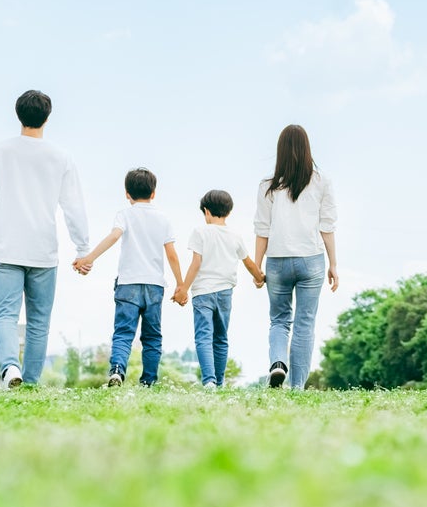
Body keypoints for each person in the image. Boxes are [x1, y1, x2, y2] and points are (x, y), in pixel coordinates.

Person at [0, 89, 89, 389]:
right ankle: (33, 382)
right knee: (39, 321)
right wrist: (82, 247)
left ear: (17, 114)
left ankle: (10, 367)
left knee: (5, 314)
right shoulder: (60, 157)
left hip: (5, 246)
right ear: (47, 118)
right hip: (42, 250)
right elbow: (74, 206)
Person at [73, 168, 179, 387]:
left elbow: (114, 237)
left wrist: (89, 257)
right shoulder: (163, 219)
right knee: (152, 337)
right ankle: (148, 381)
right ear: (154, 193)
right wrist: (181, 285)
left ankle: (118, 370)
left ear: (127, 193)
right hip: (154, 285)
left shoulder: (124, 214)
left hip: (128, 283)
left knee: (123, 332)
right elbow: (171, 254)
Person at [250, 124, 337, 389]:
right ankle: (297, 387)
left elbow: (261, 229)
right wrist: (334, 264)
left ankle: (278, 363)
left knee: (279, 320)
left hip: (277, 260)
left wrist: (257, 267)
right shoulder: (322, 182)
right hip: (311, 259)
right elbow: (327, 226)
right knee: (304, 323)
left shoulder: (268, 186)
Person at [172, 189, 243, 388]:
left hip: (202, 292)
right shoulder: (235, 235)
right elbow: (247, 261)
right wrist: (259, 277)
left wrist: (183, 289)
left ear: (206, 211)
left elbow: (196, 263)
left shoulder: (200, 232)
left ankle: (209, 381)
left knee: (203, 336)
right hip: (225, 293)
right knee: (221, 338)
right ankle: (219, 383)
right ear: (229, 212)